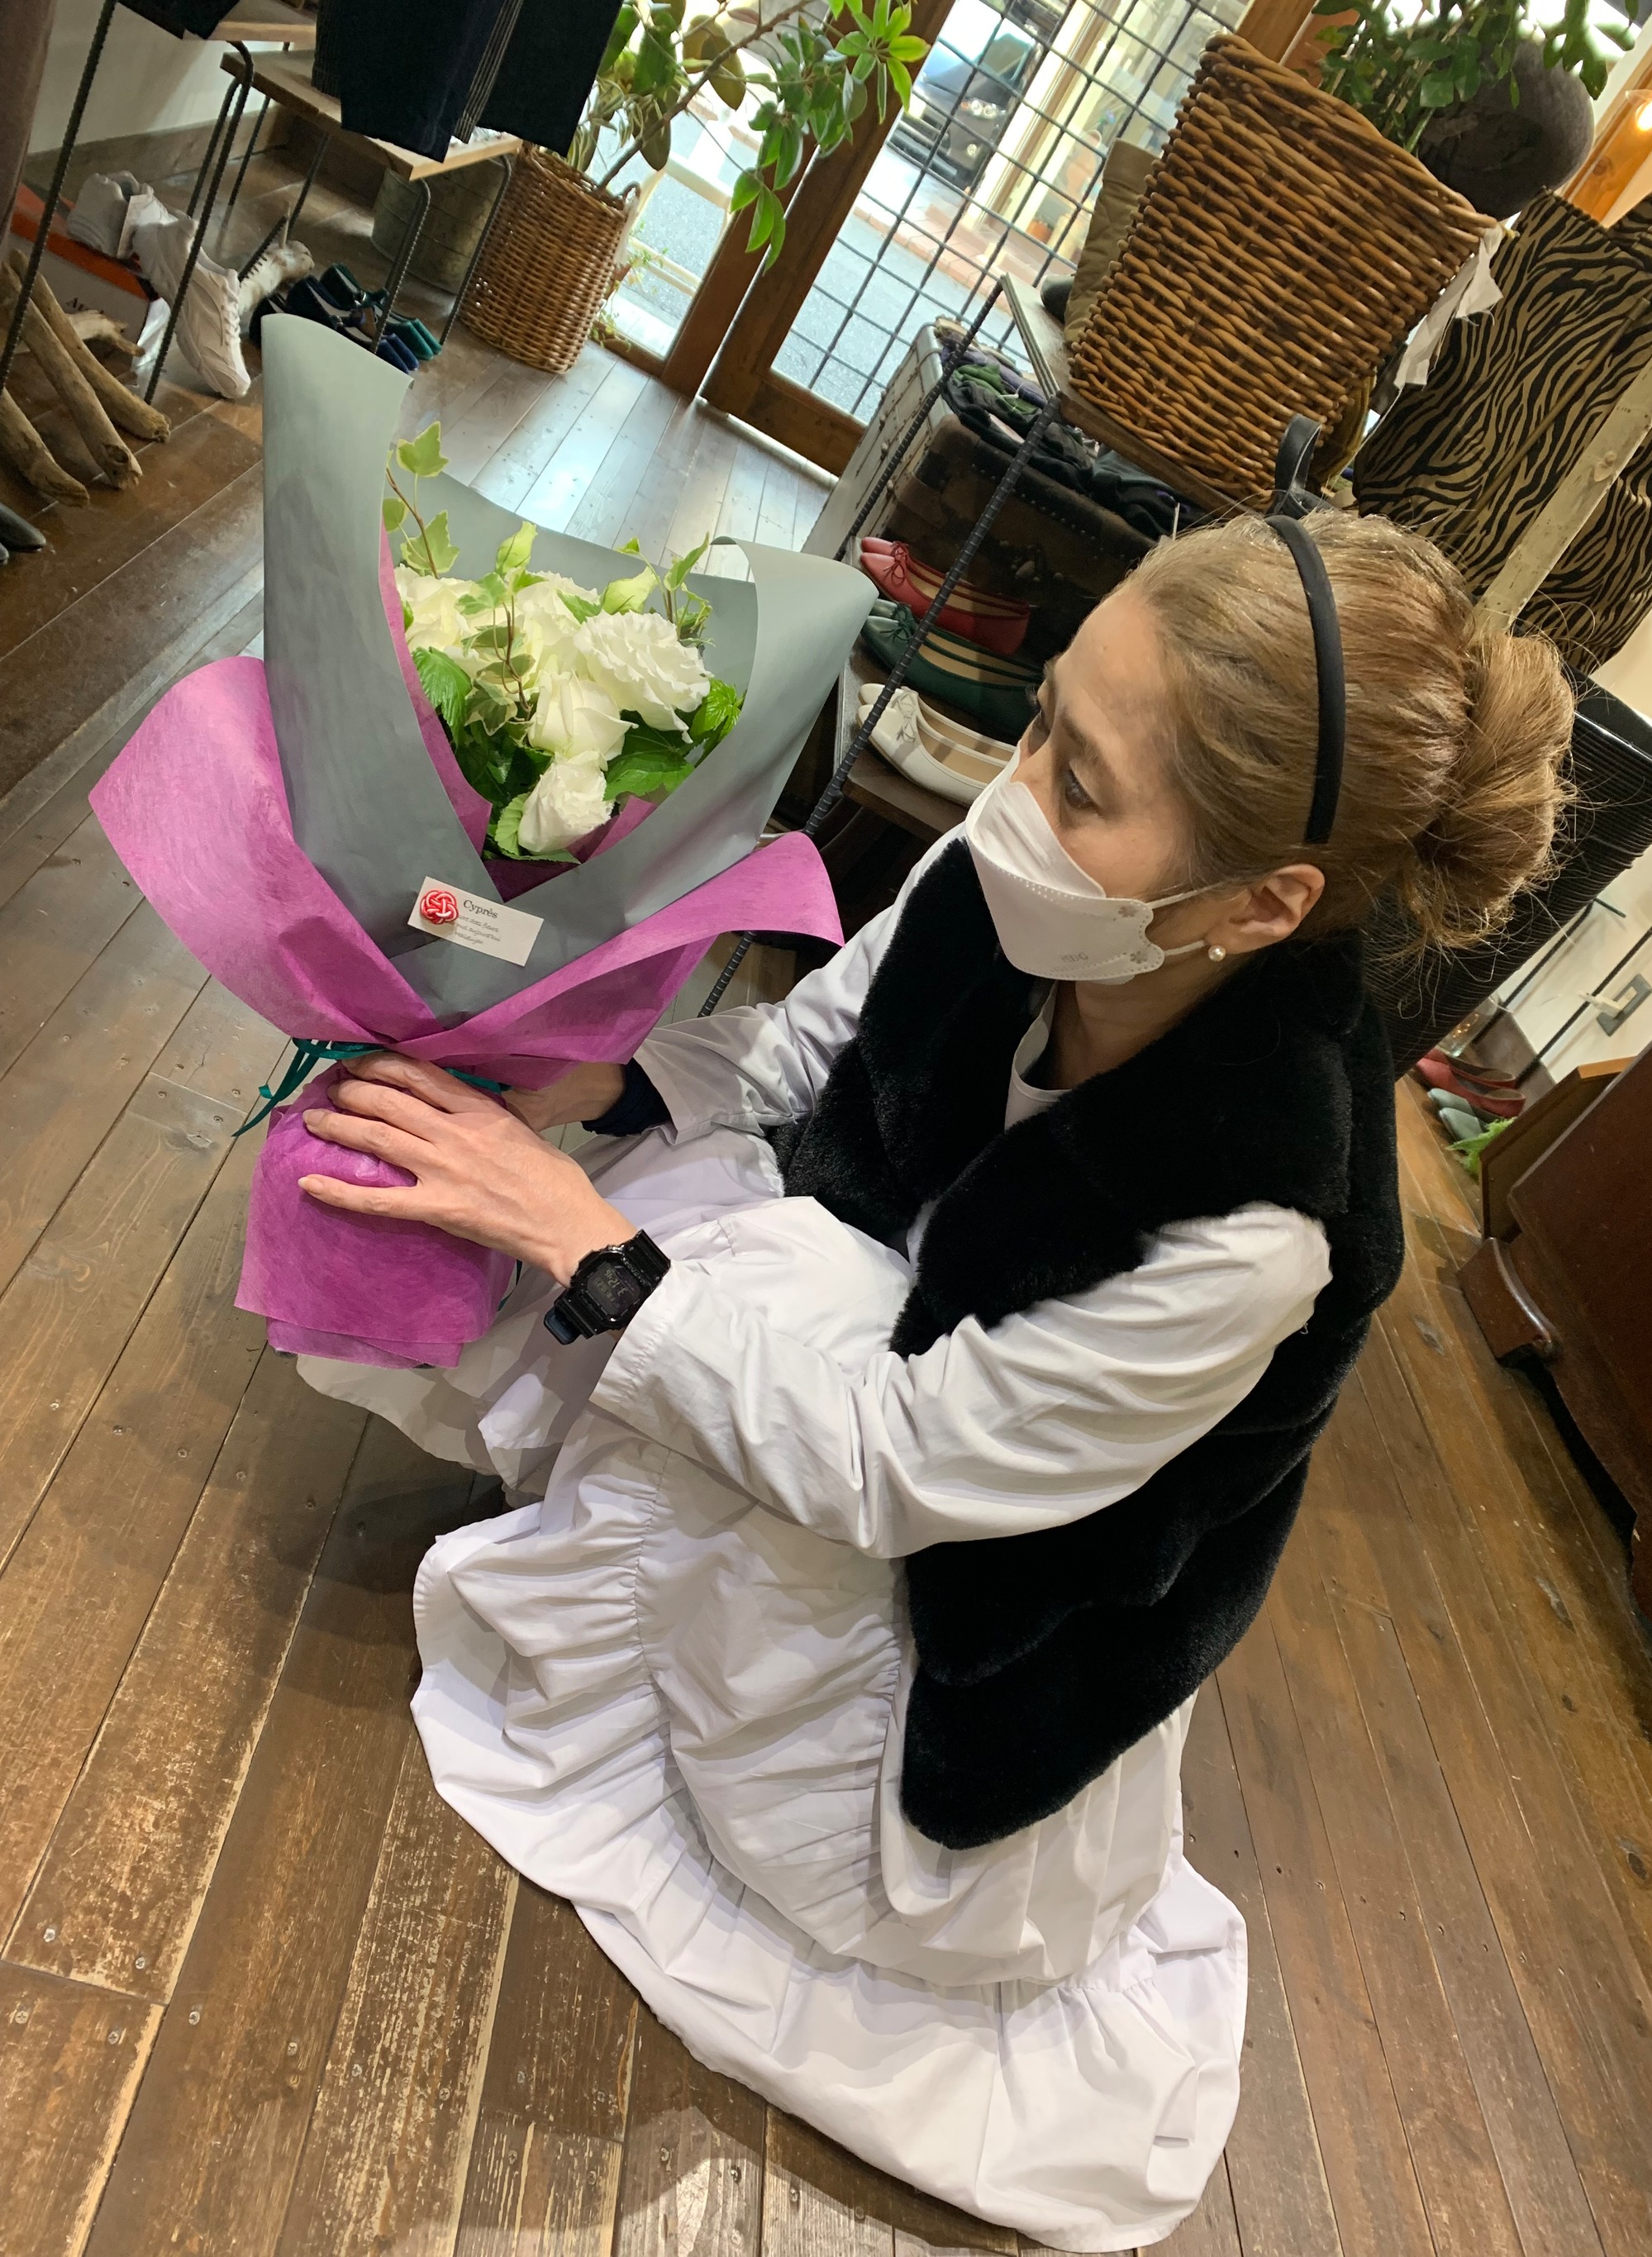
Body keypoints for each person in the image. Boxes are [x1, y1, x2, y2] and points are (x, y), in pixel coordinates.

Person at [292, 509, 1572, 2250]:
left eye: (1082, 784)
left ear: (1262, 904)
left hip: (983, 1606)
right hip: (868, 1377)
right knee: (744, 1238)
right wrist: (588, 1090)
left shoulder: (1262, 1218)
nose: (1011, 797)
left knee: (774, 1271)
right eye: (1044, 720)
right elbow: (799, 1069)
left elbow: (902, 1464)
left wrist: (587, 1243)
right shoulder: (1022, 877)